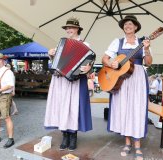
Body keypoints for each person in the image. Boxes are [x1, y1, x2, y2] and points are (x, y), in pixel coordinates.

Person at [102, 15, 152, 160]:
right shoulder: (117, 42)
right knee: (123, 108)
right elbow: (104, 58)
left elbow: (148, 63)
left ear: (136, 27)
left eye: (131, 24)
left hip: (137, 77)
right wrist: (110, 63)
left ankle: (137, 145)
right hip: (121, 79)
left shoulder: (143, 42)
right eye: (125, 24)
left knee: (137, 109)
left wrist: (147, 49)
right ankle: (127, 143)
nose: (128, 26)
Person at [44, 17, 93, 151]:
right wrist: (51, 55)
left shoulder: (86, 44)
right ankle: (64, 135)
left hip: (75, 81)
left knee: (73, 108)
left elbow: (90, 64)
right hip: (60, 80)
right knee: (61, 106)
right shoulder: (61, 44)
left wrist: (89, 68)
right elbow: (55, 64)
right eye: (67, 28)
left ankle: (73, 136)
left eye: (71, 27)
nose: (68, 30)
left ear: (77, 29)